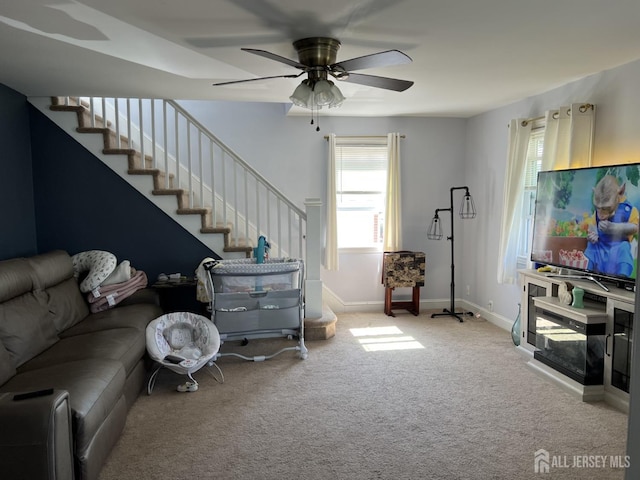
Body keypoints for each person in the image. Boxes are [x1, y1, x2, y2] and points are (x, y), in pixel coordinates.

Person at [584, 175, 639, 276]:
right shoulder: (597, 214)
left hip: (618, 247)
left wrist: (613, 227)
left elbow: (635, 228)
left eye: (605, 208)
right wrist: (593, 234)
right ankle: (587, 273)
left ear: (620, 193)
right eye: (598, 208)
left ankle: (622, 278)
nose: (600, 214)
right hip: (601, 246)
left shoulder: (629, 210)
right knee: (591, 246)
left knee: (624, 248)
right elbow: (592, 227)